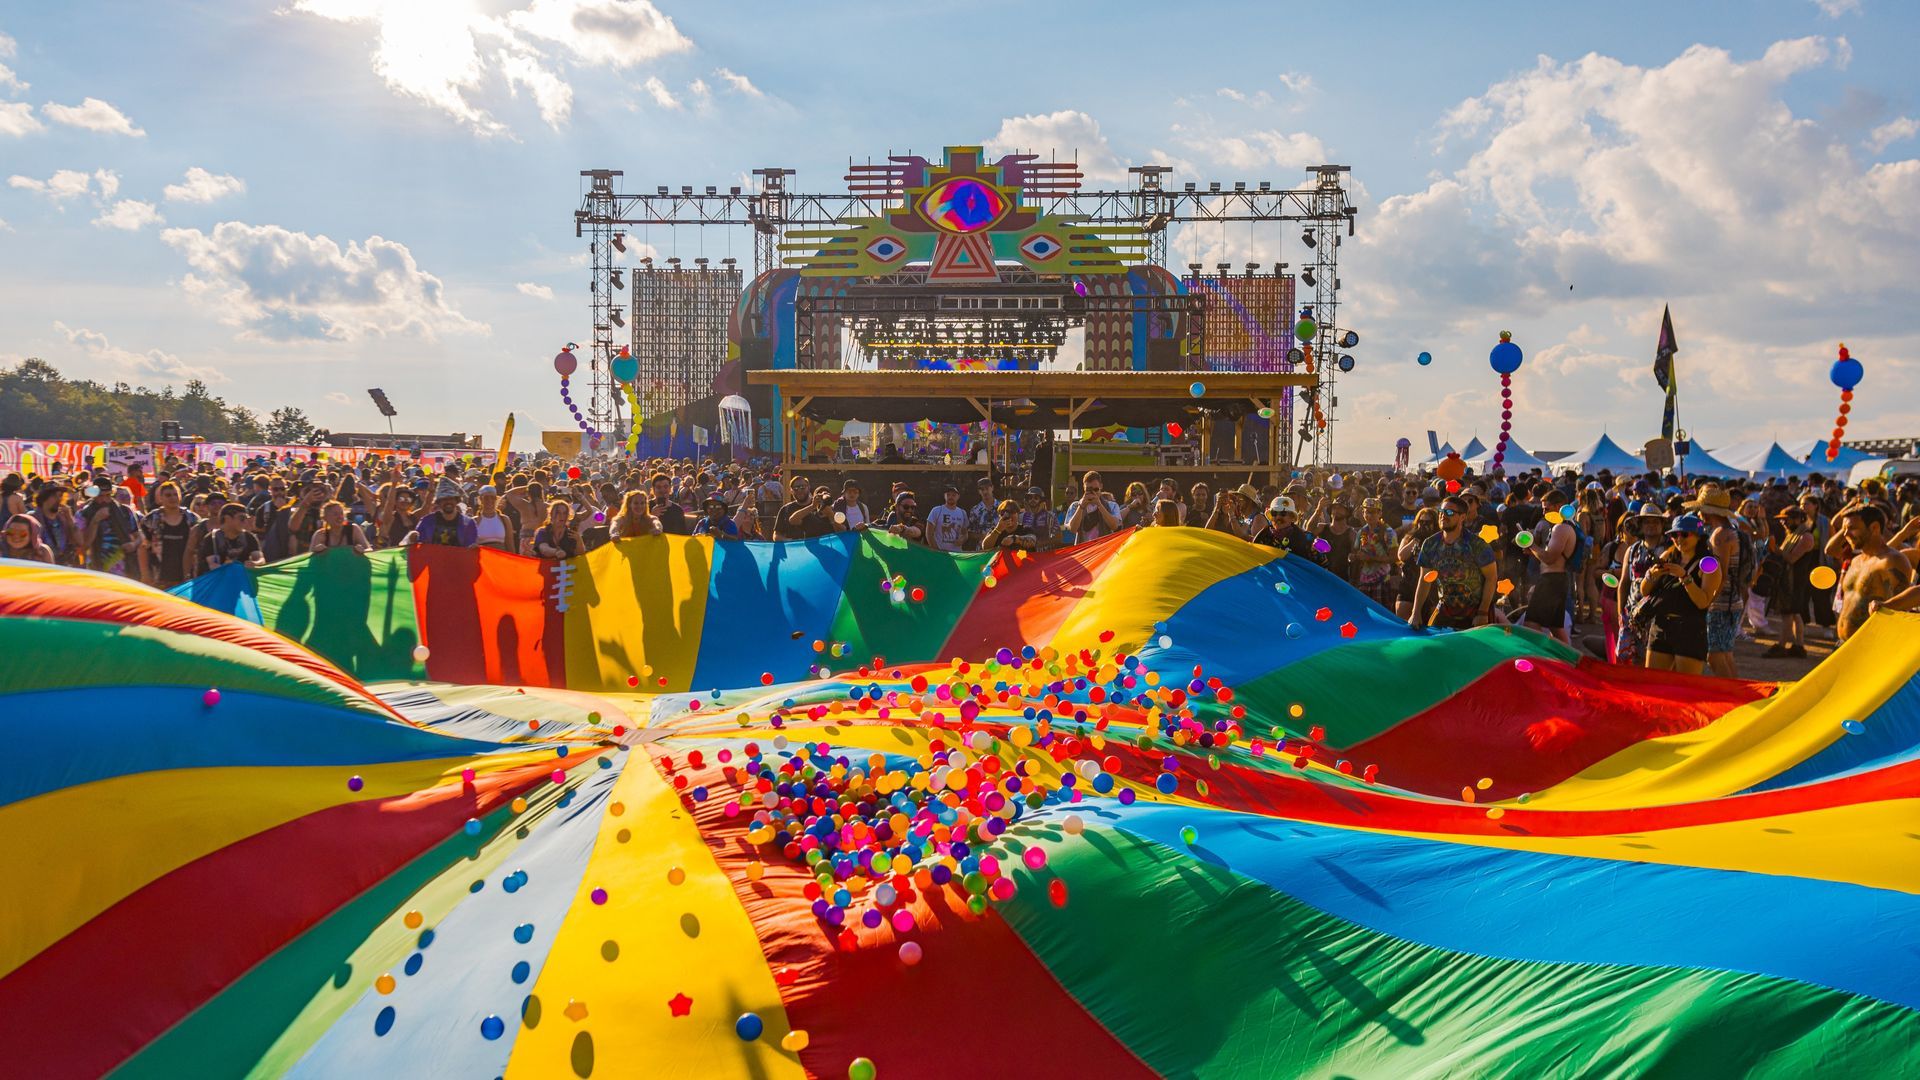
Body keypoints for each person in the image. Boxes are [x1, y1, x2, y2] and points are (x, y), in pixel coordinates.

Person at [1639, 514, 1724, 675]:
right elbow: (1644, 591)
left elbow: (1703, 602)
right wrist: (1651, 576)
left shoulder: (1708, 562)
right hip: (1661, 626)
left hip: (1690, 629)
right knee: (1653, 683)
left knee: (1686, 688)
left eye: (1684, 534)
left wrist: (1684, 577)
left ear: (1699, 536)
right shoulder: (1668, 556)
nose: (1678, 539)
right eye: (1674, 535)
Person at [1686, 484, 1752, 677]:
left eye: (1700, 509)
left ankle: (1731, 696)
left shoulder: (1720, 536)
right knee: (1725, 654)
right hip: (1733, 601)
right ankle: (1736, 695)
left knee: (1715, 656)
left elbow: (1720, 575)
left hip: (1721, 603)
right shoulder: (1731, 532)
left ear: (1708, 511)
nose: (1698, 513)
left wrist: (1707, 601)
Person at [1828, 504, 1915, 640]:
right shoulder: (1856, 560)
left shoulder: (1892, 561)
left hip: (1870, 647)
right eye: (1844, 529)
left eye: (1852, 528)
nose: (1845, 534)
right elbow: (1830, 550)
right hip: (1843, 645)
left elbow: (1899, 613)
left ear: (1874, 527)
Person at [1411, 496, 1498, 630]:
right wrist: (1415, 612)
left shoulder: (1477, 544)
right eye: (1441, 511)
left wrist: (1483, 612)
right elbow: (1424, 580)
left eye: (1449, 512)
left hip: (1474, 612)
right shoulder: (1430, 544)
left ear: (1462, 517)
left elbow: (1491, 578)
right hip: (1445, 609)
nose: (1443, 515)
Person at [1610, 502, 1667, 666]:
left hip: (1658, 615)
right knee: (1631, 660)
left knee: (1653, 661)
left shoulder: (1670, 549)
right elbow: (1624, 583)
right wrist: (1621, 614)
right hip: (1633, 613)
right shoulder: (1633, 550)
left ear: (1662, 525)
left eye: (1655, 521)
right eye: (1647, 522)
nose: (1651, 526)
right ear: (1640, 525)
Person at [1761, 506, 1818, 658]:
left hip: (1795, 581)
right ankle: (1799, 646)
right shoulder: (1793, 534)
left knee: (1788, 614)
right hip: (1789, 579)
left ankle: (1781, 646)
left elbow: (1792, 558)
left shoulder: (1805, 537)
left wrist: (1776, 549)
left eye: (1786, 520)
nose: (1783, 523)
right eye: (1781, 520)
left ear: (1798, 519)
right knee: (1795, 614)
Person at [1522, 507, 1577, 643]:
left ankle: (1546, 657)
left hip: (1551, 581)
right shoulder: (1564, 527)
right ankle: (1569, 660)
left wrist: (1532, 545)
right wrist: (1533, 551)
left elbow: (1549, 559)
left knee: (1531, 624)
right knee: (1556, 627)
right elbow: (1549, 558)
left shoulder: (1561, 528)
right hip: (1555, 579)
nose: (1544, 512)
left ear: (1558, 506)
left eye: (1546, 507)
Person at [140, 481, 200, 588]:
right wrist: (145, 574)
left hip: (187, 578)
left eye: (175, 494)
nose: (172, 498)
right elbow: (143, 548)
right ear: (160, 498)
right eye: (168, 495)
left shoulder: (192, 519)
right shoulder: (151, 519)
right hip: (159, 577)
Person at [79, 483, 144, 577]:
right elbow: (84, 545)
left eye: (108, 495)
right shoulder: (83, 514)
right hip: (95, 571)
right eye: (100, 496)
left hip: (123, 571)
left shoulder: (125, 511)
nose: (104, 499)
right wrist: (95, 520)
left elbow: (139, 536)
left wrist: (134, 544)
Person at [1351, 498, 1399, 607]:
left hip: (1382, 582)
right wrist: (1354, 556)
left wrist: (1371, 558)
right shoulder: (1362, 531)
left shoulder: (1388, 532)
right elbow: (1357, 551)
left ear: (1380, 513)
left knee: (1381, 615)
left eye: (1373, 512)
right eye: (1366, 511)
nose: (1369, 515)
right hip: (1363, 582)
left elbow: (1394, 557)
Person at [1395, 507, 1440, 621]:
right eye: (1421, 522)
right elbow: (1401, 556)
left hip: (1431, 587)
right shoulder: (1410, 537)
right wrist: (1416, 539)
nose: (1424, 525)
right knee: (1403, 618)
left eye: (1428, 522)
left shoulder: (1438, 540)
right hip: (1409, 583)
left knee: (1430, 621)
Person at [411, 480, 478, 547]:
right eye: (444, 499)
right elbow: (419, 545)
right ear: (438, 502)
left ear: (456, 501)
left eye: (451, 499)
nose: (448, 502)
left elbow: (470, 547)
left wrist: (473, 548)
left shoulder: (468, 523)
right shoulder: (427, 521)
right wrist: (412, 538)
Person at [1062, 470, 1122, 543]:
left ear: (1101, 486)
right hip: (1084, 550)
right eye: (1089, 489)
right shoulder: (1075, 506)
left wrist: (1100, 505)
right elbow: (1073, 529)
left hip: (1103, 549)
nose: (1093, 492)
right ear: (1084, 488)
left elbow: (1114, 526)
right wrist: (1081, 507)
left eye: (1095, 489)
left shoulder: (1112, 505)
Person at [200, 502, 265, 570]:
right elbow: (213, 565)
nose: (245, 522)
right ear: (227, 518)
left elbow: (260, 559)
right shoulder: (212, 539)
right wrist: (226, 567)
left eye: (246, 518)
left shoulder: (249, 537)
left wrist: (255, 563)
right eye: (242, 518)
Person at [29, 484, 77, 566]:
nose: (59, 499)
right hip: (41, 566)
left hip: (62, 566)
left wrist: (70, 519)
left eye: (60, 496)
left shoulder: (63, 518)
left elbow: (79, 541)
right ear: (44, 498)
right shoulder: (32, 518)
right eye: (54, 496)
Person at [1250, 496, 1315, 555]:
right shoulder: (1263, 536)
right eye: (1274, 513)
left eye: (1283, 513)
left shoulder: (1304, 538)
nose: (1278, 517)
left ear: (1292, 517)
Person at [924, 485, 970, 552]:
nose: (950, 497)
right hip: (940, 553)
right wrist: (937, 551)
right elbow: (929, 534)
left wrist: (962, 540)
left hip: (957, 554)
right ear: (944, 496)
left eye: (953, 495)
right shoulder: (936, 510)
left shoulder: (962, 513)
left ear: (958, 497)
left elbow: (965, 534)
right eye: (948, 495)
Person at [473, 485, 517, 551]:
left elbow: (510, 545)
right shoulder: (474, 521)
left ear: (496, 499)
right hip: (483, 558)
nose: (489, 500)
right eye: (486, 498)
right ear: (480, 499)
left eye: (492, 497)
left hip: (501, 558)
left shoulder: (505, 520)